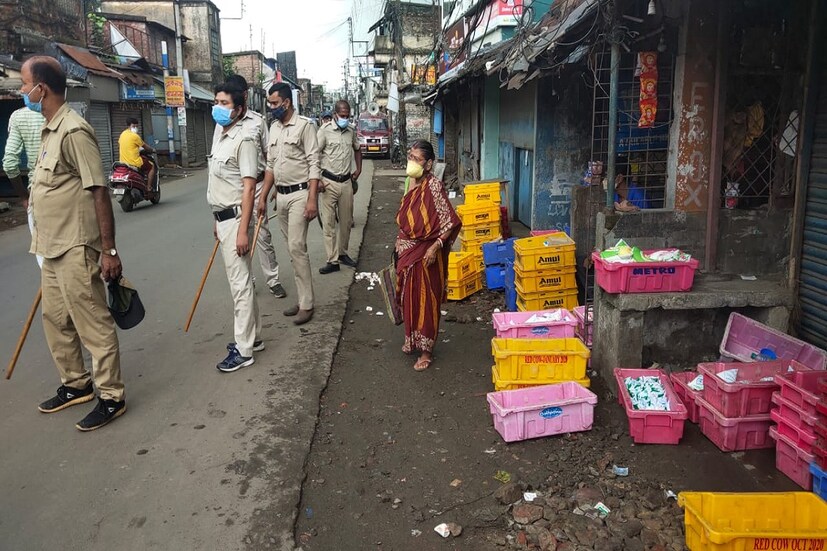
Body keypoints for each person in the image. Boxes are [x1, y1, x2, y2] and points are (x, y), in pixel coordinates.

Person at [23, 56, 126, 430]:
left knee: (92, 322)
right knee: (55, 320)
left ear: (42, 89)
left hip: (75, 245)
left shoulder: (74, 130)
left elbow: (99, 190)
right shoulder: (48, 130)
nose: (22, 91)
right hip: (50, 245)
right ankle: (76, 384)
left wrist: (108, 250)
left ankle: (111, 396)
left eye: (25, 84)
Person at [208, 82, 263, 372]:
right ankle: (255, 337)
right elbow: (218, 182)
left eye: (224, 103)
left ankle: (244, 350)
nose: (217, 107)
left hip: (237, 219)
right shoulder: (220, 134)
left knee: (240, 285)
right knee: (241, 282)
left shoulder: (245, 140)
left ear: (239, 109)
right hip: (224, 218)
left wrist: (242, 230)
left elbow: (249, 186)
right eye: (216, 101)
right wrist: (216, 220)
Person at [215, 74, 286, 299]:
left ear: (243, 96)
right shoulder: (220, 125)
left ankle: (273, 279)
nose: (220, 106)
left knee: (262, 235)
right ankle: (248, 280)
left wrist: (268, 191)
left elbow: (269, 157)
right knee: (238, 237)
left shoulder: (257, 122)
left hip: (256, 186)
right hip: (232, 190)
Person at [394, 140, 461, 371]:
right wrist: (399, 240)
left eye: (416, 159)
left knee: (426, 301)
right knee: (408, 298)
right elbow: (406, 216)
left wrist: (435, 247)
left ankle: (426, 351)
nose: (411, 162)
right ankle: (411, 339)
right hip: (407, 251)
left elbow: (450, 222)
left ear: (429, 164)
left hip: (426, 254)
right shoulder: (409, 181)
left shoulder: (434, 187)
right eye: (410, 156)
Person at [257, 82, 319, 326]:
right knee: (291, 249)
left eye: (274, 103)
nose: (271, 107)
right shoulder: (274, 127)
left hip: (300, 195)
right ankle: (302, 298)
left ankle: (307, 304)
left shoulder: (305, 126)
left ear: (286, 102)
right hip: (280, 196)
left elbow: (314, 163)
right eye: (269, 103)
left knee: (296, 247)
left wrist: (312, 199)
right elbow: (271, 166)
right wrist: (263, 196)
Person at [317, 99, 362, 274]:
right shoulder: (324, 131)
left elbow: (357, 149)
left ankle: (343, 253)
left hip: (346, 182)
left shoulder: (351, 130)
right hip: (328, 183)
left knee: (346, 221)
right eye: (342, 115)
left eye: (347, 116)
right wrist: (317, 179)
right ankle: (332, 260)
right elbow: (314, 154)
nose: (345, 118)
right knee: (328, 223)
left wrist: (359, 169)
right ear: (335, 114)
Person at [2, 103, 45, 267]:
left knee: (44, 257)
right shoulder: (66, 114)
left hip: (37, 193)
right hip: (68, 193)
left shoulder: (19, 117)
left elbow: (9, 164)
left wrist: (24, 197)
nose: (22, 91)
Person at [117, 117, 157, 191]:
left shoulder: (122, 134)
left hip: (123, 162)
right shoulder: (135, 136)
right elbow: (145, 147)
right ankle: (149, 187)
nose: (135, 128)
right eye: (133, 126)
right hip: (134, 162)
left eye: (136, 126)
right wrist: (152, 150)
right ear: (129, 125)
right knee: (151, 166)